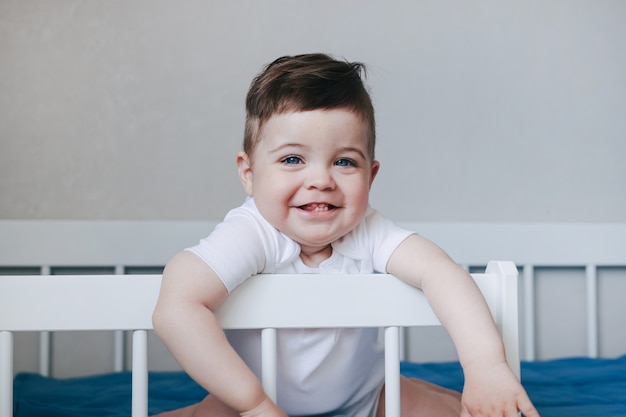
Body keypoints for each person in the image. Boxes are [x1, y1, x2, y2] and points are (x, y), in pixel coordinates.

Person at [152, 53, 539, 417]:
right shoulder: (252, 231)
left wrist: (485, 364)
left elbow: (441, 272)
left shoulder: (367, 229)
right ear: (248, 173)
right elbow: (178, 305)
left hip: (365, 398)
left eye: (343, 161)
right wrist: (253, 404)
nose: (321, 180)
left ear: (370, 176)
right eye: (292, 159)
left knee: (453, 410)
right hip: (250, 401)